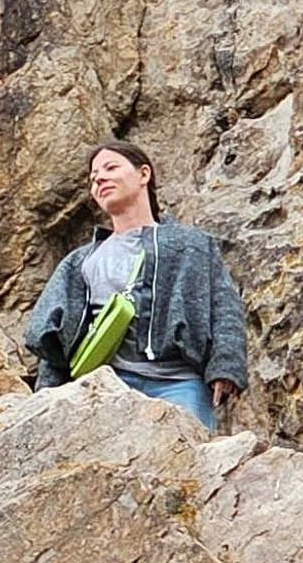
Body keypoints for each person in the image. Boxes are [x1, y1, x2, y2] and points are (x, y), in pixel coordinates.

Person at [23, 142, 248, 430]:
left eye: (110, 168)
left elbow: (225, 306)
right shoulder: (80, 261)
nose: (99, 179)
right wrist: (47, 396)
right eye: (93, 177)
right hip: (105, 388)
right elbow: (55, 338)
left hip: (179, 383)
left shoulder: (191, 245)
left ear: (143, 175)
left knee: (184, 468)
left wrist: (226, 366)